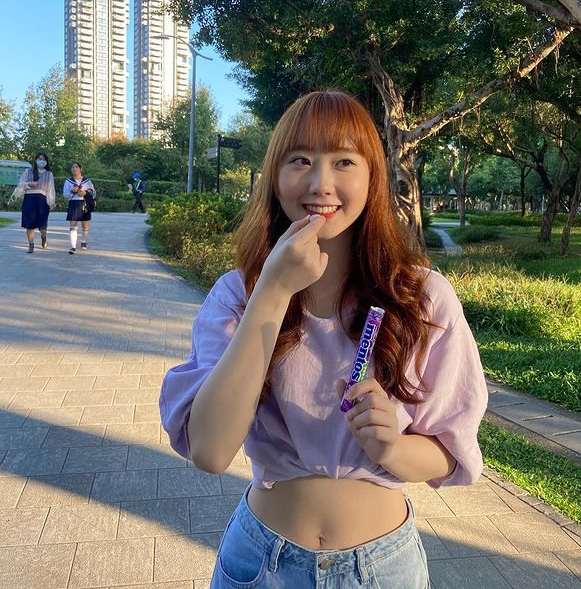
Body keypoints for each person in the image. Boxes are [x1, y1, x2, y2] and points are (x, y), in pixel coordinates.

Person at [160, 91, 488, 588]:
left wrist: (391, 447)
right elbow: (210, 450)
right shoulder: (237, 295)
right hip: (260, 564)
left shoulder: (422, 298)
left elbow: (451, 449)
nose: (320, 183)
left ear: (372, 177)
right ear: (274, 176)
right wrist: (272, 290)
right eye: (300, 160)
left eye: (343, 161)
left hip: (384, 569)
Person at [17, 152, 55, 253]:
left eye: (44, 159)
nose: (41, 161)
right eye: (39, 159)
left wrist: (51, 202)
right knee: (30, 224)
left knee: (42, 226)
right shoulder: (28, 171)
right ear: (36, 160)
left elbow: (51, 189)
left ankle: (43, 237)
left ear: (46, 161)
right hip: (29, 199)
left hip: (42, 200)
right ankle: (31, 244)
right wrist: (29, 184)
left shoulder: (49, 174)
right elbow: (20, 184)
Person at [63, 163, 96, 254]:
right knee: (73, 225)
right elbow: (65, 195)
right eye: (73, 167)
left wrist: (86, 192)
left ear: (81, 169)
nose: (74, 169)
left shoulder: (87, 181)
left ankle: (84, 242)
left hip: (84, 203)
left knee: (85, 225)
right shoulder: (68, 181)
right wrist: (72, 191)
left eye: (76, 167)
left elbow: (94, 192)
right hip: (73, 203)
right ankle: (73, 246)